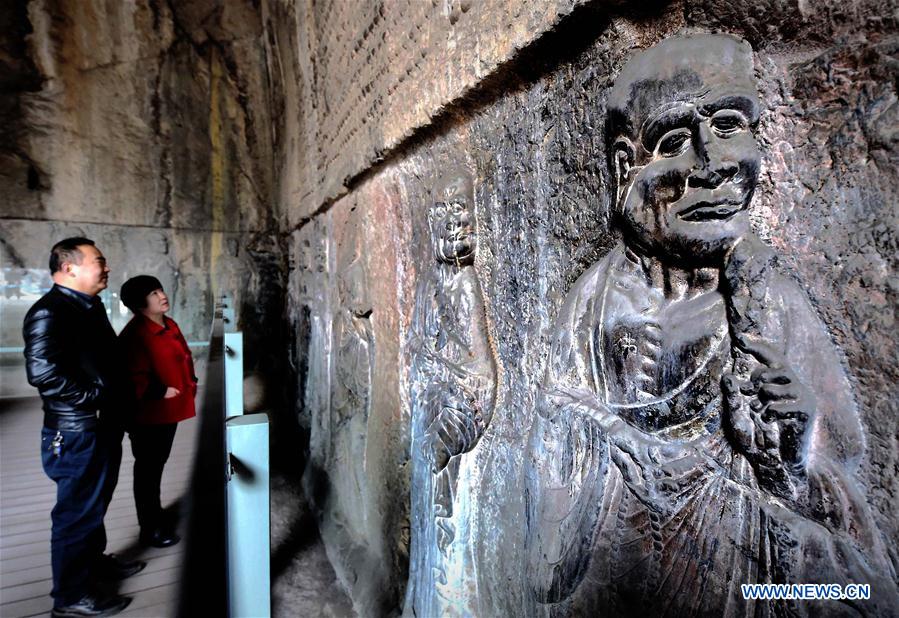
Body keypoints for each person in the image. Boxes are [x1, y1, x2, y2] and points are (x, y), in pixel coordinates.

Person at [525, 34, 898, 615]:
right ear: (624, 170)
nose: (711, 164)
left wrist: (788, 464)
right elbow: (543, 549)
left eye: (728, 126)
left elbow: (858, 578)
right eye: (675, 140)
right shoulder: (593, 304)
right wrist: (608, 439)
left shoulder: (771, 302)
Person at [23, 237, 144, 618]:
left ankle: (93, 565)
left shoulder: (87, 306)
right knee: (76, 514)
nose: (106, 268)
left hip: (100, 424)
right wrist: (96, 396)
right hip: (77, 430)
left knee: (94, 504)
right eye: (99, 261)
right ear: (68, 267)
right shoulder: (50, 312)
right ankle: (71, 596)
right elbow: (43, 373)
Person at [119, 275, 197, 548]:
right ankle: (150, 528)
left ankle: (154, 516)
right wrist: (159, 391)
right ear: (139, 303)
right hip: (148, 415)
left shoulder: (168, 324)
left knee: (155, 466)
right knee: (148, 471)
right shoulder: (135, 334)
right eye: (153, 293)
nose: (162, 295)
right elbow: (129, 376)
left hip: (166, 411)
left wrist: (190, 383)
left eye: (160, 289)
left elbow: (183, 357)